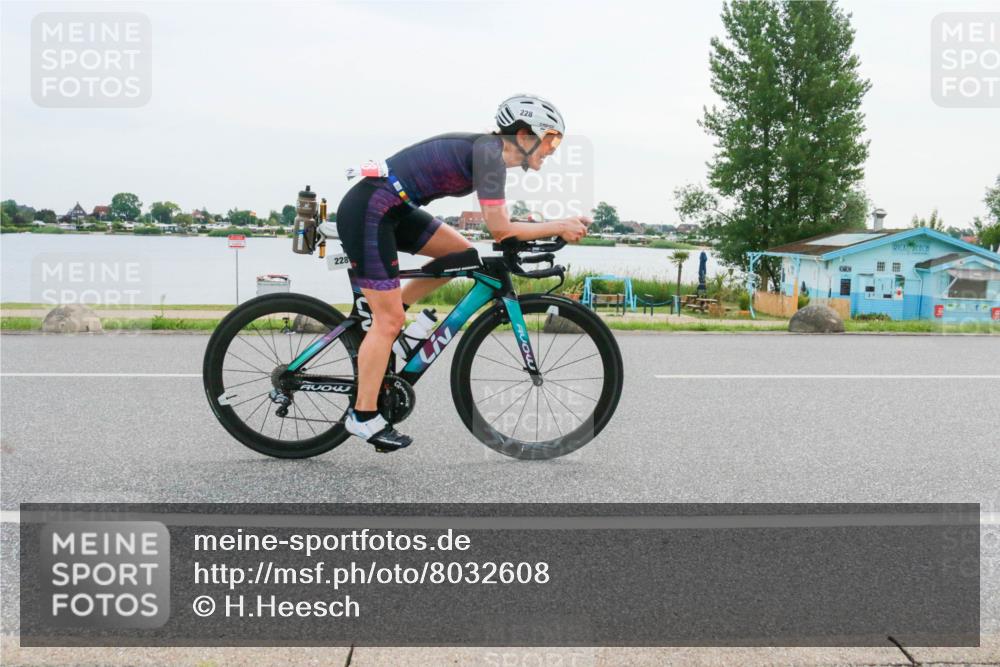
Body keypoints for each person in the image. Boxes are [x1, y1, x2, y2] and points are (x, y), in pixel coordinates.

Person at [335, 94, 590, 451]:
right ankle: (362, 416)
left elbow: (501, 223)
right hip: (371, 209)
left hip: (395, 207)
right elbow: (501, 230)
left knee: (460, 254)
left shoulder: (489, 154)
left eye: (557, 141)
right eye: (550, 139)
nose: (552, 149)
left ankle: (393, 322)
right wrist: (558, 224)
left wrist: (549, 225)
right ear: (523, 134)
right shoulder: (489, 156)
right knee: (387, 321)